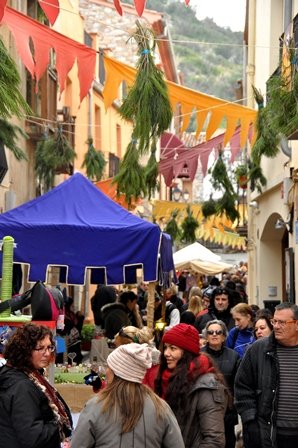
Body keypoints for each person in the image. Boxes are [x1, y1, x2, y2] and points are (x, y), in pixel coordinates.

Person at [71, 343, 185, 448]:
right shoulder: (160, 407)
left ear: (116, 372)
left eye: (109, 367)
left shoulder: (95, 406)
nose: (106, 371)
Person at [234, 302, 298, 448]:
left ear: (297, 324)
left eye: (281, 322)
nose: (275, 326)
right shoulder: (257, 350)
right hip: (267, 434)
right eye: (274, 321)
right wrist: (250, 421)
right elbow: (242, 387)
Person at [0, 323, 72, 448]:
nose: (47, 353)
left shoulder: (24, 374)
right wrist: (58, 425)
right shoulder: (21, 386)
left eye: (50, 347)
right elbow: (34, 437)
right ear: (25, 350)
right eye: (40, 348)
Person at [155, 323, 228, 447]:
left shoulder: (207, 386)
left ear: (187, 353)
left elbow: (214, 440)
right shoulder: (168, 379)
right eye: (166, 347)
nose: (166, 353)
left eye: (173, 348)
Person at [202, 320, 240, 448]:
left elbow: (238, 386)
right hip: (204, 412)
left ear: (224, 336)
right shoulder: (198, 355)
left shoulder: (234, 356)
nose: (214, 335)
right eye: (210, 332)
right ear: (206, 336)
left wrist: (233, 408)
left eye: (218, 332)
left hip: (227, 413)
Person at [113, 325, 161, 390]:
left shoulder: (151, 363)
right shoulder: (131, 362)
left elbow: (151, 390)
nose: (116, 352)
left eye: (118, 348)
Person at [56, 296, 84, 364]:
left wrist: (80, 317)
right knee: (62, 358)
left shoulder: (68, 314)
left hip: (69, 340)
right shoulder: (63, 314)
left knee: (63, 358)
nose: (73, 306)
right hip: (64, 339)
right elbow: (61, 329)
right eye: (72, 304)